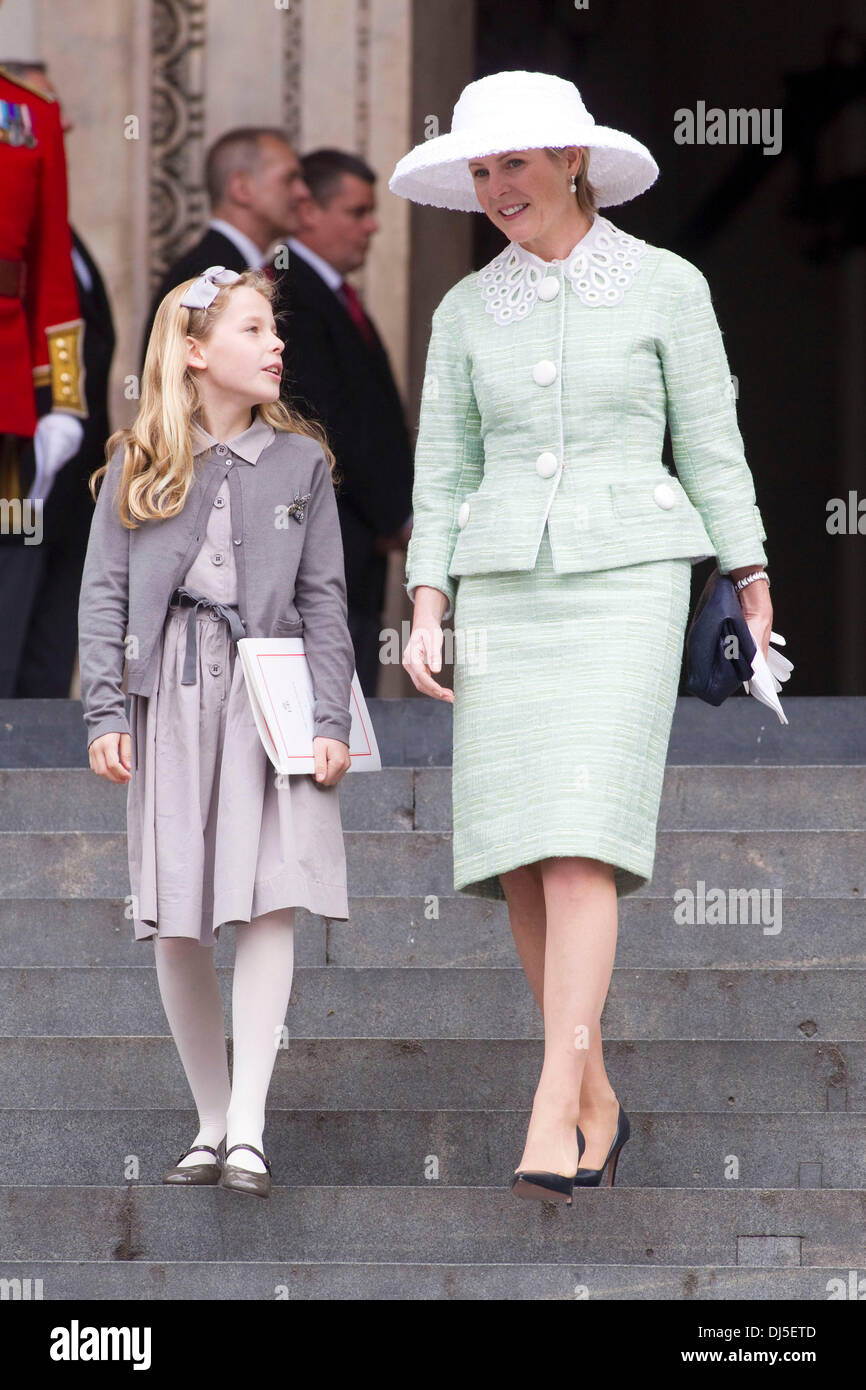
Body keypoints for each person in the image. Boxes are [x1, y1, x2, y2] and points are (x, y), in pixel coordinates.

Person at [392, 71, 773, 1203]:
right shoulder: (462, 311)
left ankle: (553, 1099)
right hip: (504, 581)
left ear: (573, 162)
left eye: (514, 161)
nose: (496, 185)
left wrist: (747, 569)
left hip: (627, 578)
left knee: (575, 840)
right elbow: (442, 466)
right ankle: (597, 1093)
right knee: (517, 854)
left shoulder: (667, 285)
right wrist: (424, 599)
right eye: (479, 167)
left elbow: (710, 442)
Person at [77, 266, 354, 1198]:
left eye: (276, 330)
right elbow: (104, 595)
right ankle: (208, 1117)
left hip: (269, 701)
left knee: (270, 897)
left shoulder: (301, 462)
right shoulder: (138, 462)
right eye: (253, 329)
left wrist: (329, 719)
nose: (277, 344)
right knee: (178, 914)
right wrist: (107, 709)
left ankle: (250, 1125)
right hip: (173, 703)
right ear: (195, 352)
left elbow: (325, 601)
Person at [270, 149, 413, 695]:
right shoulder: (289, 291)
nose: (372, 226)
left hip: (361, 535)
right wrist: (392, 516)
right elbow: (323, 420)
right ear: (310, 212)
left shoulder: (332, 293)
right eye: (357, 212)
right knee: (329, 694)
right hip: (334, 529)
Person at [1, 57, 115, 697]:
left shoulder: (26, 114)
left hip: (9, 398)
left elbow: (48, 276)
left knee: (12, 566)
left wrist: (63, 403)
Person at [139, 128, 311, 367]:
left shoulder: (240, 267)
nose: (303, 192)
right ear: (241, 188)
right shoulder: (206, 276)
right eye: (289, 179)